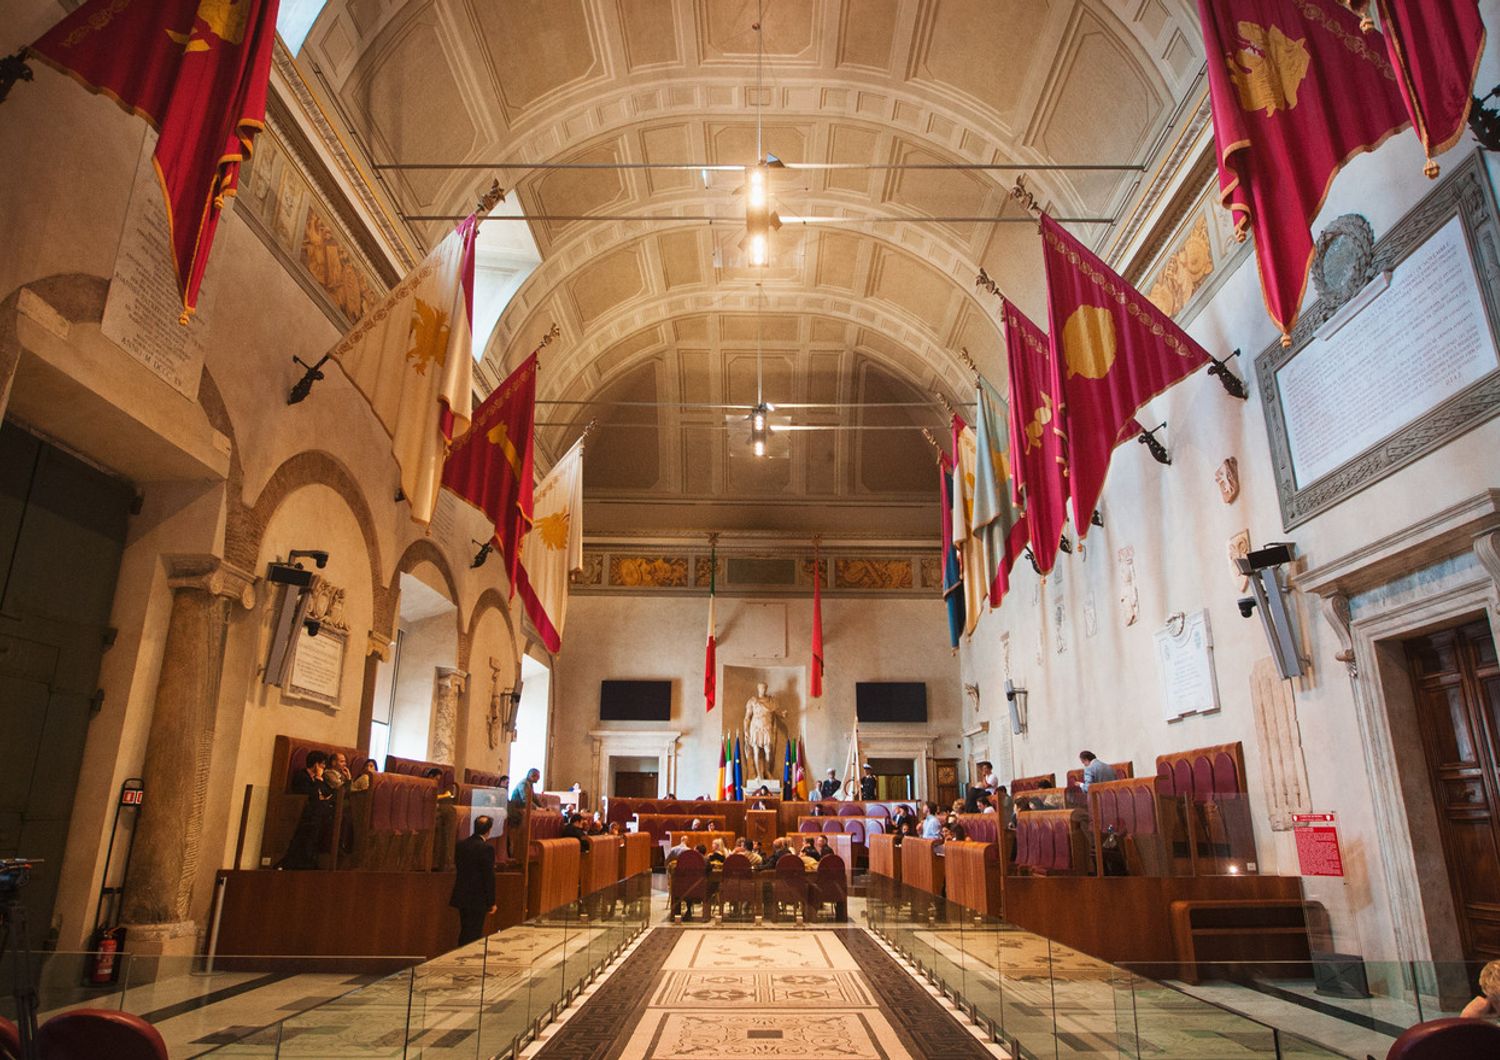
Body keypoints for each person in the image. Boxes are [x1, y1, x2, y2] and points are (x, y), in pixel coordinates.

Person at [278, 751, 333, 869]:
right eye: (322, 764)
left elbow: (328, 794)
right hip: (304, 814)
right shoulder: (302, 776)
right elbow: (311, 796)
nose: (324, 767)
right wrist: (318, 779)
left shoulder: (320, 779)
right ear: (315, 765)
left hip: (318, 813)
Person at [450, 814, 497, 946]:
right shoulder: (487, 848)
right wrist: (491, 901)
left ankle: (459, 956)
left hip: (461, 895)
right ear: (488, 830)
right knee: (474, 932)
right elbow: (488, 876)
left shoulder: (461, 845)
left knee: (465, 929)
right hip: (478, 898)